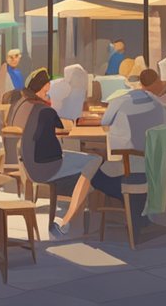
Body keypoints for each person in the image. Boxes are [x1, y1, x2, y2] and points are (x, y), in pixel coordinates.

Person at [21, 68, 103, 239]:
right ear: (42, 88)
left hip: (32, 165)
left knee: (85, 170)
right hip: (48, 166)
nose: (49, 90)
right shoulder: (46, 111)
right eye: (47, 88)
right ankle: (65, 221)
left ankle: (76, 211)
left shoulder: (31, 108)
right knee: (94, 160)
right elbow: (65, 126)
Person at [95, 68, 166, 227]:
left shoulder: (123, 101)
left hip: (137, 176)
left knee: (94, 169)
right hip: (162, 174)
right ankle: (137, 214)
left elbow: (105, 122)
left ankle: (115, 216)